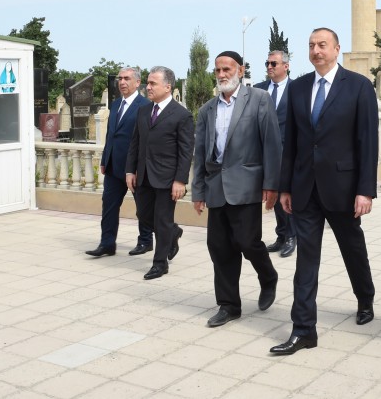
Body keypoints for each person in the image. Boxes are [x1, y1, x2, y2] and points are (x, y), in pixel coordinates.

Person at [270, 28, 378, 356]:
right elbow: (293, 143)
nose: (316, 51)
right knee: (306, 260)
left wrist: (365, 191)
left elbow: (368, 142)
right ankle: (304, 329)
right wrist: (286, 186)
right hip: (304, 189)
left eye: (322, 45)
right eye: (311, 46)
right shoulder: (299, 88)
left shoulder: (358, 87)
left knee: (352, 248)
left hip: (343, 189)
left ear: (336, 49)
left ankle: (365, 296)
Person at [192, 51, 282, 327]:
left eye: (227, 69)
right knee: (219, 247)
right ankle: (229, 305)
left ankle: (268, 276)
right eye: (218, 70)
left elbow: (271, 144)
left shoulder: (258, 100)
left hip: (247, 185)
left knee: (247, 241)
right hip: (216, 186)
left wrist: (272, 184)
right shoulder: (208, 109)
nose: (221, 75)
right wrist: (198, 192)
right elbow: (201, 153)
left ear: (240, 70)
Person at [125, 66, 194, 280]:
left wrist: (180, 180)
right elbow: (135, 143)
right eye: (148, 82)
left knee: (162, 219)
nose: (148, 87)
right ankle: (172, 233)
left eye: (153, 83)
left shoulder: (182, 115)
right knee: (143, 215)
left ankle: (160, 263)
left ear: (168, 86)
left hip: (167, 178)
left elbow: (185, 151)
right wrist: (130, 170)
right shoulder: (144, 111)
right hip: (144, 175)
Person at [86, 67, 153, 257]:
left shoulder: (145, 106)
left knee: (143, 208)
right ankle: (107, 243)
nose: (122, 82)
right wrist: (105, 158)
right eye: (120, 78)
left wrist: (139, 167)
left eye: (127, 78)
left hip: (135, 168)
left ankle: (146, 241)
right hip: (114, 167)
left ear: (137, 83)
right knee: (109, 205)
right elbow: (111, 134)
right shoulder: (115, 104)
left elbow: (145, 140)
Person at [255, 51, 297, 258]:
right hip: (261, 153)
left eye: (274, 63)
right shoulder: (258, 90)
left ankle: (291, 235)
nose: (269, 66)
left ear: (286, 66)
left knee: (284, 195)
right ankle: (281, 235)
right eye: (267, 63)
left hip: (286, 153)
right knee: (271, 194)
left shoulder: (297, 89)